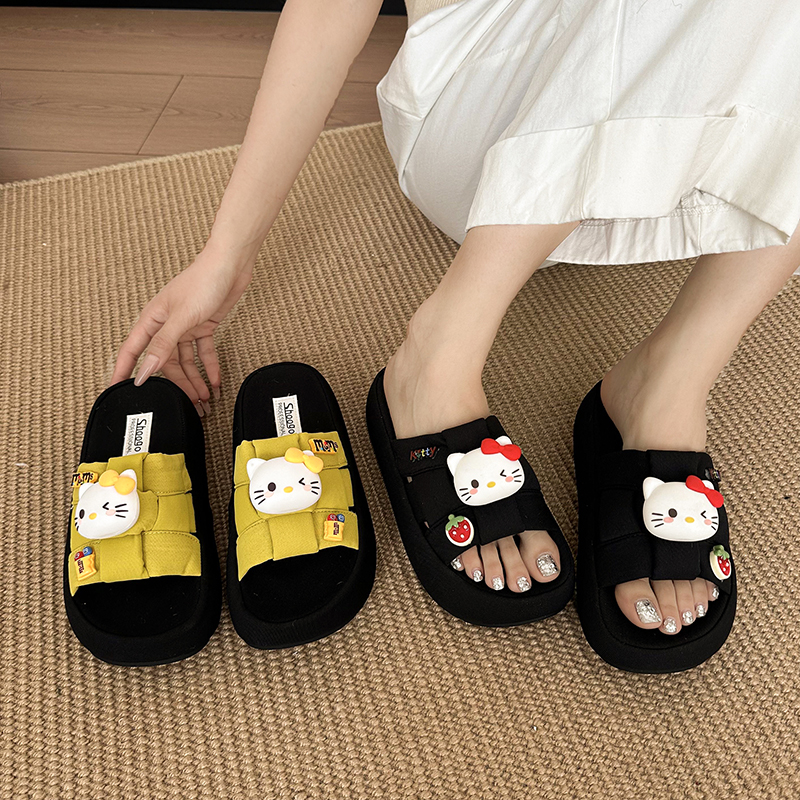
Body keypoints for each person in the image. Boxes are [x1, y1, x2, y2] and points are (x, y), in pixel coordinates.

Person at [111, 0, 800, 641]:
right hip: (490, 115)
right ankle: (438, 356)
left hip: (682, 153)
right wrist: (227, 255)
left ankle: (670, 379)